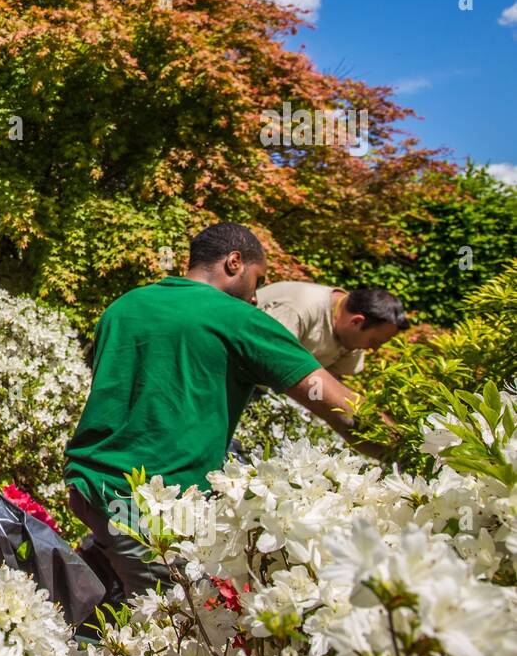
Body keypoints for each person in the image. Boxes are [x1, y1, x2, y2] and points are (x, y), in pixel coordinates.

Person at [64, 224, 390, 599]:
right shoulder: (239, 319)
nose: (256, 297)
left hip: (90, 487)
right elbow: (341, 408)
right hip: (154, 508)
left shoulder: (123, 307)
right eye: (258, 280)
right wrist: (408, 445)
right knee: (178, 627)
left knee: (106, 604)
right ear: (235, 262)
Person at [256, 282, 408, 379]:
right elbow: (263, 360)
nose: (374, 349)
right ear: (356, 321)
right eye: (375, 342)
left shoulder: (351, 334)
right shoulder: (300, 309)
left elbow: (331, 379)